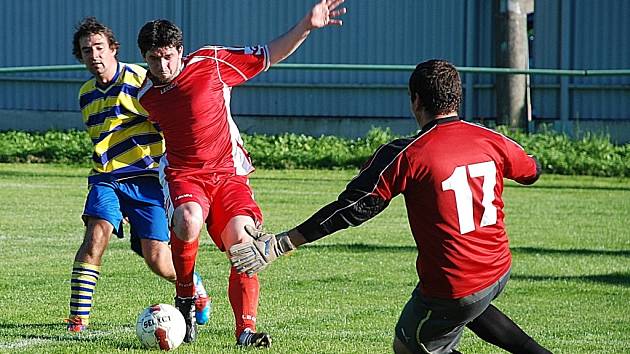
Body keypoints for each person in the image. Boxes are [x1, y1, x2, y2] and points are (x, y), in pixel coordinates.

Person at [229, 59, 552, 354]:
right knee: (469, 308)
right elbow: (531, 171)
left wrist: (282, 243)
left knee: (409, 346)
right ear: (457, 99)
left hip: (453, 284)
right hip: (498, 268)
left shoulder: (408, 154)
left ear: (415, 100)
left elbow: (352, 209)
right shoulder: (489, 138)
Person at [136, 0, 346, 347]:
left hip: (229, 174)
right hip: (185, 176)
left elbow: (268, 55)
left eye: (168, 56)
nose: (163, 65)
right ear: (145, 57)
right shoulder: (146, 95)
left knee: (244, 244)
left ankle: (245, 330)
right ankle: (186, 298)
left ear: (181, 51)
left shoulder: (212, 63)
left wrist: (306, 25)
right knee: (187, 219)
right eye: (154, 58)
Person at [66, 17, 211, 332]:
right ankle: (78, 320)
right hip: (105, 178)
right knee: (96, 234)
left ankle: (193, 285)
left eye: (100, 48)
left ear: (114, 49)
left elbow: (169, 122)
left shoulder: (140, 81)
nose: (95, 56)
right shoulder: (86, 93)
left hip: (147, 180)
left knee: (157, 259)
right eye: (87, 51)